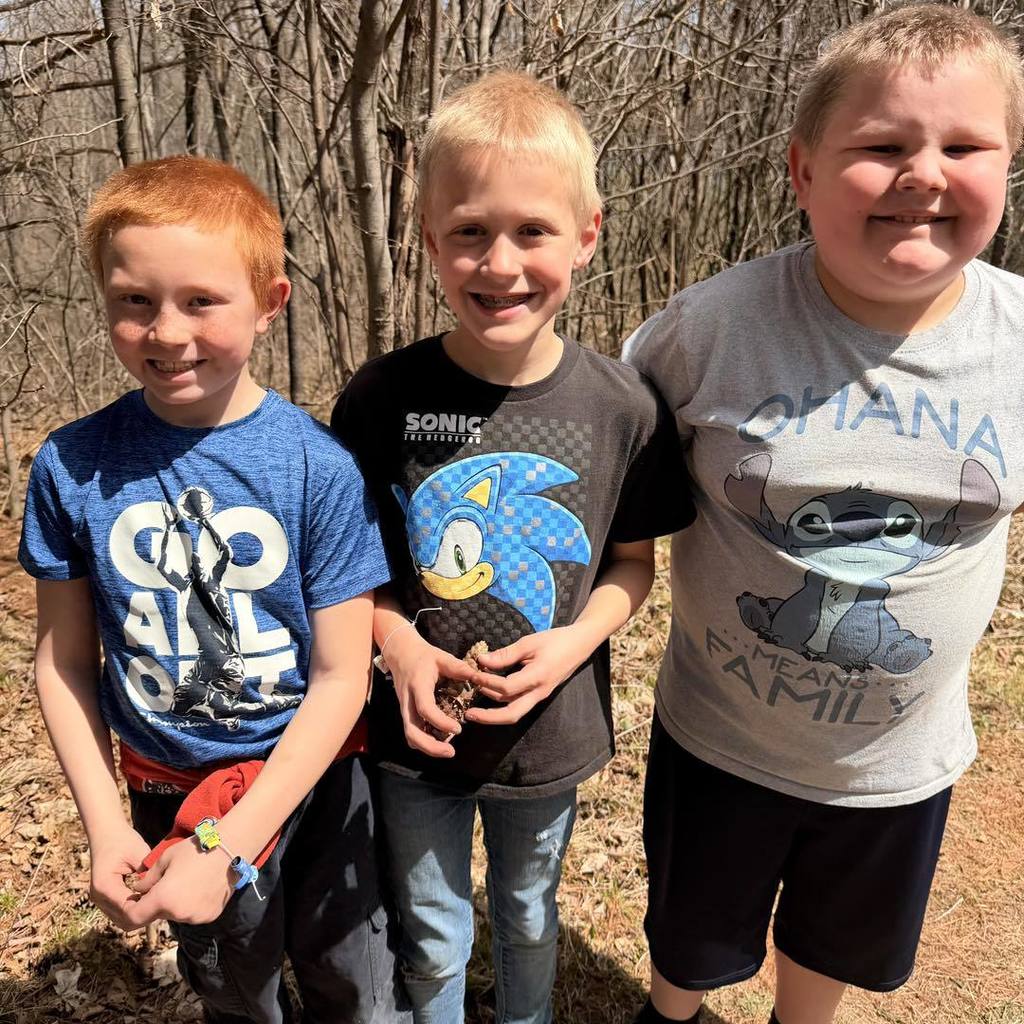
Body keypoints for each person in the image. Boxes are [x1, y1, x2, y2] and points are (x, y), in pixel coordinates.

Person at [623, 5, 1024, 1023]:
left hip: (899, 763)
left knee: (835, 941)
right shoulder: (706, 331)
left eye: (964, 144)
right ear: (801, 172)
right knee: (691, 933)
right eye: (881, 145)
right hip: (719, 737)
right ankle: (667, 1013)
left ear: (1008, 162)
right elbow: (611, 471)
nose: (923, 173)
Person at [332, 71, 693, 1024]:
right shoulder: (380, 399)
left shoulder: (623, 407)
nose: (501, 264)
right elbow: (350, 571)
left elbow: (629, 565)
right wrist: (400, 644)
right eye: (469, 232)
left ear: (586, 235)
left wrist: (573, 646)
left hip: (552, 729)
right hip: (417, 736)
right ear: (428, 240)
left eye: (533, 231)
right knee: (435, 925)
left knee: (531, 914)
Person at [19, 155, 408, 1023]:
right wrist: (107, 826)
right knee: (236, 990)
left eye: (201, 301)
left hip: (312, 783)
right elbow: (64, 662)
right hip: (167, 784)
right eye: (134, 301)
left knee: (356, 983)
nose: (166, 332)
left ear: (270, 303)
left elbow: (345, 678)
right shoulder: (71, 466)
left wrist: (229, 845)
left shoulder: (318, 469)